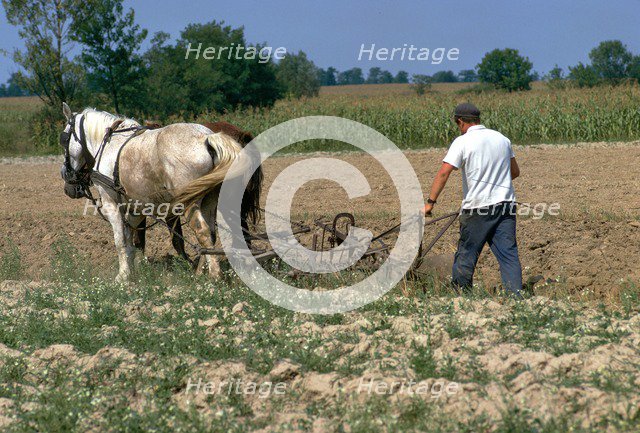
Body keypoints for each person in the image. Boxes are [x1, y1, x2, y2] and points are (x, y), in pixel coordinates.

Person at [422, 103, 523, 297]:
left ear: (460, 122)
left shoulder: (463, 141)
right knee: (509, 255)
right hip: (506, 206)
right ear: (478, 119)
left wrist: (430, 203)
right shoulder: (502, 139)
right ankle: (516, 297)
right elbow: (515, 172)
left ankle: (461, 297)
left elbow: (444, 172)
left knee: (467, 253)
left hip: (477, 208)